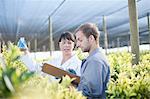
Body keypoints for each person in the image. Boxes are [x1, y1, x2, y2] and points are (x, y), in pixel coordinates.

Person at [75, 23, 110, 99]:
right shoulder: (95, 58)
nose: (77, 45)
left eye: (80, 40)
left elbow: (89, 93)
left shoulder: (95, 61)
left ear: (91, 38)